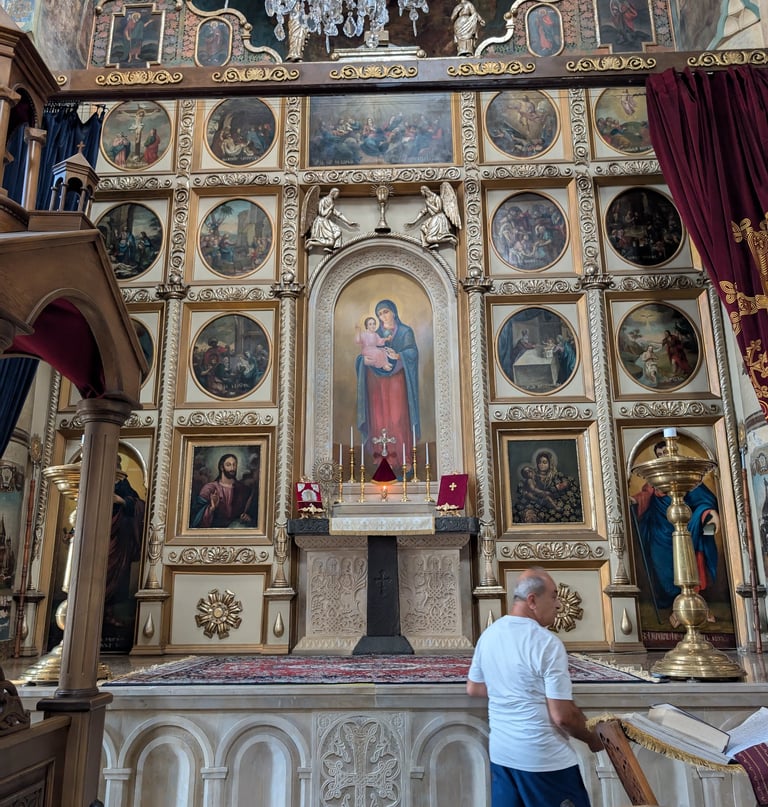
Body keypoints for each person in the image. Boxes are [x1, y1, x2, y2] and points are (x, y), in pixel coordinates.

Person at [467, 568, 602, 807]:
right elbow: (562, 716)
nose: (558, 604)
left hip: (502, 756)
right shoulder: (546, 643)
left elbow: (474, 688)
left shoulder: (489, 635)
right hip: (544, 759)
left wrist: (512, 688)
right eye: (553, 596)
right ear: (532, 600)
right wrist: (593, 738)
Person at [632, 439, 720, 621]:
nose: (665, 457)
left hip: (685, 528)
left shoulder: (688, 476)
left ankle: (695, 605)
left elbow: (703, 499)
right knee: (663, 568)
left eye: (666, 452)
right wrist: (633, 501)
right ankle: (675, 603)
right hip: (659, 532)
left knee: (689, 561)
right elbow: (644, 496)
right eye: (660, 455)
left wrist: (708, 512)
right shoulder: (654, 480)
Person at [356, 299, 419, 474]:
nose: (383, 316)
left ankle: (404, 459)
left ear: (394, 312)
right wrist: (364, 361)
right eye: (380, 314)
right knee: (379, 418)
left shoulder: (405, 332)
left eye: (386, 312)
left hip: (397, 380)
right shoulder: (374, 333)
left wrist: (399, 356)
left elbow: (412, 353)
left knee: (397, 418)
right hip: (376, 382)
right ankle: (383, 461)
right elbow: (363, 354)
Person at [104, 457, 145, 628]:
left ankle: (109, 613)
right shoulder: (98, 479)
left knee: (117, 574)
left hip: (120, 536)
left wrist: (121, 501)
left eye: (118, 464)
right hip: (100, 532)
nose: (117, 467)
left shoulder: (123, 483)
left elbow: (139, 504)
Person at [513, 449, 582, 523]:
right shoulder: (533, 474)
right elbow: (523, 486)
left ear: (550, 463)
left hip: (552, 500)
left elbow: (568, 482)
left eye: (545, 462)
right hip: (536, 501)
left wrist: (559, 487)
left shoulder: (556, 475)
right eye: (539, 462)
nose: (541, 464)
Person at [190, 453, 255, 528]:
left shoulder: (244, 489)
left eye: (234, 465)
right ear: (221, 467)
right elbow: (196, 517)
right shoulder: (209, 488)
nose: (232, 468)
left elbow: (253, 516)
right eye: (228, 465)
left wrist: (248, 518)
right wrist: (211, 508)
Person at [406, 183, 461, 249]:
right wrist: (414, 222)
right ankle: (430, 244)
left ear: (425, 191)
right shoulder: (427, 200)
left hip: (439, 217)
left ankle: (449, 239)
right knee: (423, 227)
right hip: (434, 217)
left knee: (429, 238)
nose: (422, 194)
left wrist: (429, 205)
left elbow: (438, 210)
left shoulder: (437, 198)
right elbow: (423, 212)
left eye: (422, 192)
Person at [305, 187, 358, 252]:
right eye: (337, 195)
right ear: (333, 193)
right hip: (322, 222)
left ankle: (331, 248)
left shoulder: (331, 201)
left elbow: (337, 214)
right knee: (331, 241)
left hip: (326, 221)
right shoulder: (323, 200)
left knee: (338, 231)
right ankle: (311, 243)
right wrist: (330, 207)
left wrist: (348, 222)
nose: (337, 196)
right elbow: (322, 213)